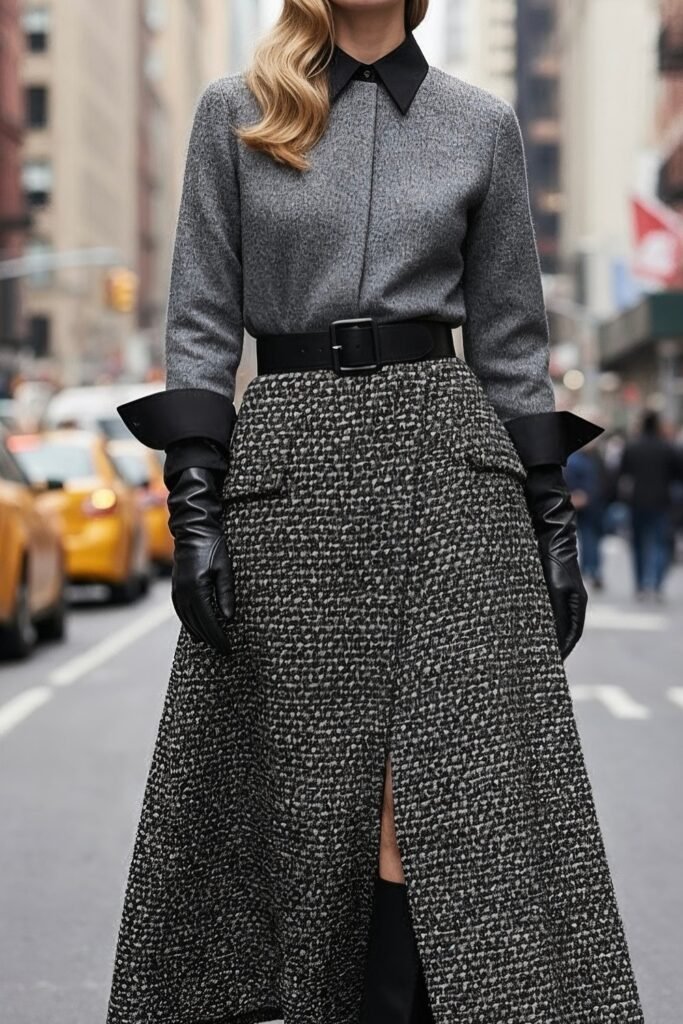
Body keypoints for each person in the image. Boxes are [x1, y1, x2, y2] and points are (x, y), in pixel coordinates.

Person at [106, 3, 645, 1022]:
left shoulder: (476, 122)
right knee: (317, 805)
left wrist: (550, 519)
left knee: (427, 783)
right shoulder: (238, 113)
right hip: (290, 476)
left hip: (448, 469)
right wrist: (196, 513)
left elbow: (511, 339)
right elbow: (202, 320)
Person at [618, 409, 682, 600]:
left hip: (636, 501)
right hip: (662, 502)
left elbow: (622, 473)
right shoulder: (667, 447)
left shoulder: (632, 447)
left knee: (637, 544)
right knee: (660, 543)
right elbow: (679, 474)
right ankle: (656, 584)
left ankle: (640, 585)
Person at [565, 438, 609, 589]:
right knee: (591, 539)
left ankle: (591, 570)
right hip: (590, 504)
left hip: (591, 504)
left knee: (590, 539)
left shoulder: (582, 459)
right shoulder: (586, 459)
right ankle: (592, 570)